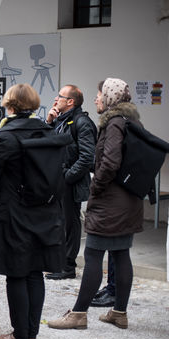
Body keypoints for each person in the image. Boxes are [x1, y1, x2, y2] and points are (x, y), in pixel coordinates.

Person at [48, 78, 143, 330]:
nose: (96, 98)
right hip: (128, 200)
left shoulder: (113, 124)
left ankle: (78, 314)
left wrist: (97, 187)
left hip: (110, 201)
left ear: (110, 98)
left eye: (100, 94)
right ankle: (119, 312)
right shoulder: (131, 121)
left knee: (92, 255)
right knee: (121, 254)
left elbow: (108, 162)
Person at [0, 83, 64, 339]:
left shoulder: (4, 136)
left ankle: (19, 335)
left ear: (10, 105)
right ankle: (30, 334)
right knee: (34, 272)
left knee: (16, 273)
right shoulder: (47, 130)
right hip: (43, 209)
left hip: (14, 210)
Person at [45, 84, 96, 280]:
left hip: (70, 182)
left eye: (60, 96)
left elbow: (86, 157)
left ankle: (67, 266)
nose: (56, 99)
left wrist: (66, 178)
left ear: (71, 101)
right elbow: (48, 145)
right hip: (58, 180)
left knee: (70, 223)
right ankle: (58, 262)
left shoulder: (81, 122)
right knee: (59, 222)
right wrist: (49, 122)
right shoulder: (61, 120)